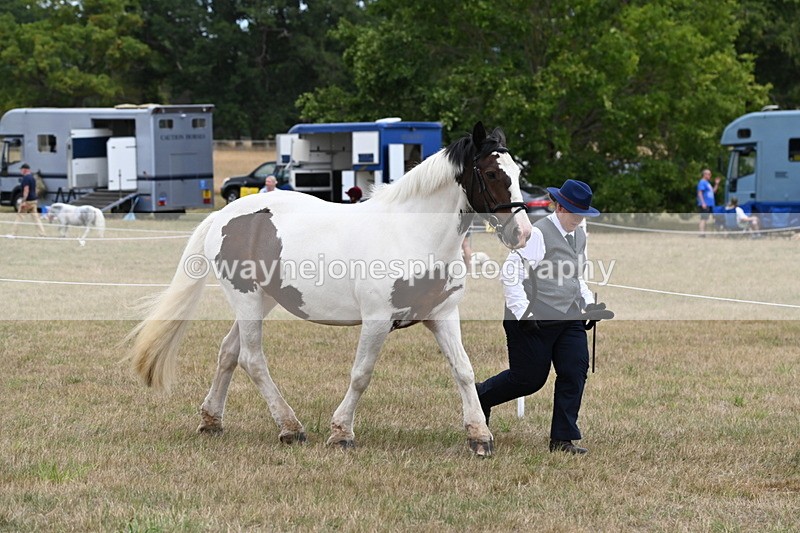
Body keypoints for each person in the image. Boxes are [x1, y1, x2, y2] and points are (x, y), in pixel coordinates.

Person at [476, 179, 613, 455]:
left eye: (583, 214)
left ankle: (562, 439)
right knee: (529, 379)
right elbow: (510, 274)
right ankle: (480, 397)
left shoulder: (580, 235)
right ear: (559, 207)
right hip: (532, 317)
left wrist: (588, 304)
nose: (579, 219)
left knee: (575, 370)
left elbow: (575, 277)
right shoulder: (537, 234)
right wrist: (523, 313)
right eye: (575, 213)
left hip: (568, 316)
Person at [11, 163, 46, 237]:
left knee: (19, 217)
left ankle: (13, 233)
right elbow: (35, 189)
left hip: (28, 201)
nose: (20, 171)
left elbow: (26, 190)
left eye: (21, 169)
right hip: (34, 200)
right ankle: (42, 233)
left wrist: (23, 201)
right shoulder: (32, 178)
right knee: (36, 218)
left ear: (25, 170)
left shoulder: (26, 178)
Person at [697, 168, 721, 235]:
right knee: (703, 218)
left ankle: (704, 232)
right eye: (709, 174)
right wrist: (703, 203)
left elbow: (713, 191)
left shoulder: (708, 183)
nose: (710, 175)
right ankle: (701, 233)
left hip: (710, 204)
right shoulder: (702, 182)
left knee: (706, 219)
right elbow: (700, 193)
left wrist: (716, 184)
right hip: (705, 203)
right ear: (704, 174)